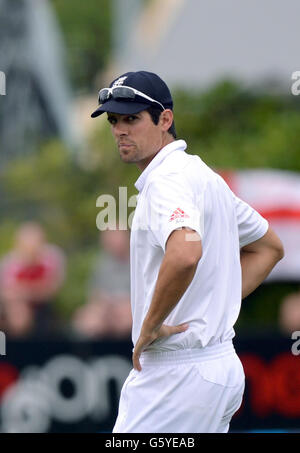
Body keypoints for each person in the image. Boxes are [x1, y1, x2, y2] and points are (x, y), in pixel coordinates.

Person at [91, 71, 284, 433]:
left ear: (165, 119)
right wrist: (215, 299)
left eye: (132, 118)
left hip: (176, 374)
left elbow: (184, 254)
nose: (120, 129)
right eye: (114, 120)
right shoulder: (204, 176)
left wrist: (149, 325)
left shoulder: (167, 181)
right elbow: (269, 247)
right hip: (217, 367)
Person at [0, 222, 66, 338]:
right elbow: (6, 293)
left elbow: (51, 289)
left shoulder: (52, 257)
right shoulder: (10, 262)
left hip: (44, 308)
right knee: (18, 313)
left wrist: (23, 291)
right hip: (16, 307)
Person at [72, 228, 131, 339]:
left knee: (126, 319)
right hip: (106, 308)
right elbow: (94, 294)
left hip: (129, 309)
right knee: (87, 319)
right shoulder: (101, 264)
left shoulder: (138, 262)